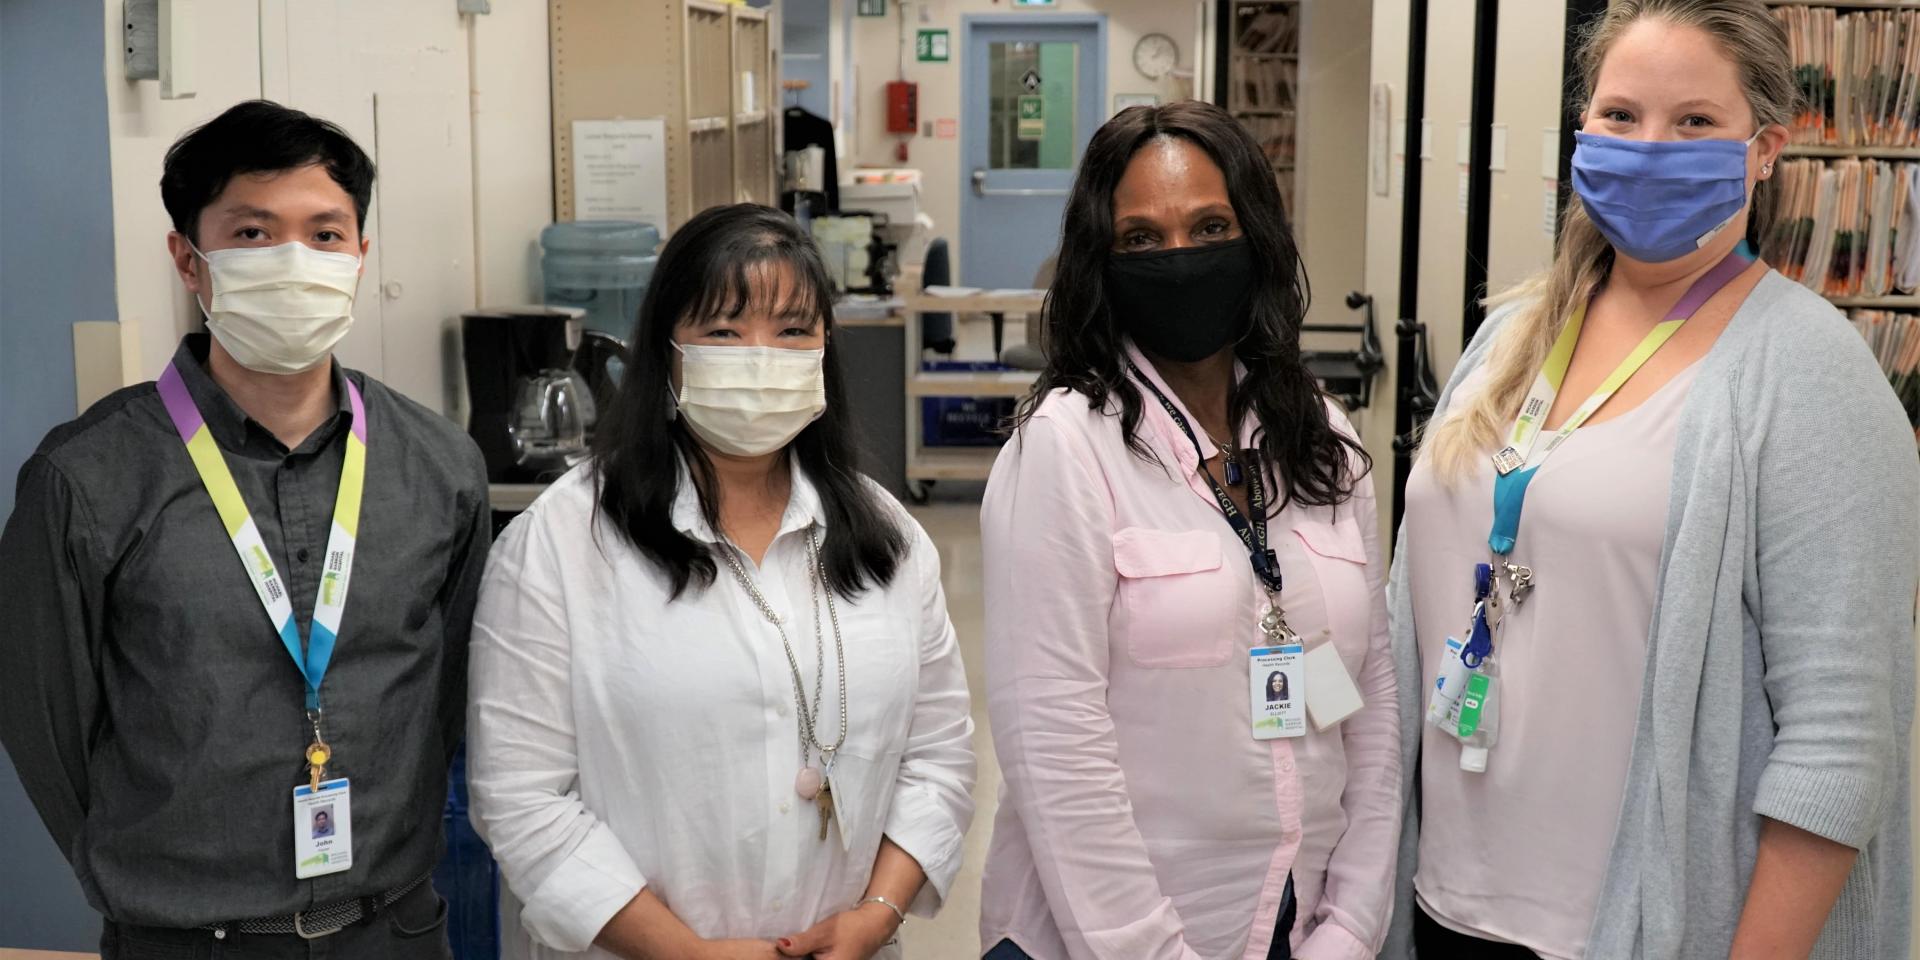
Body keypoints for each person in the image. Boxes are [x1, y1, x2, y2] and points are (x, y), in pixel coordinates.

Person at [1390, 3, 1919, 958]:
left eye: (1694, 123)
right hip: (1446, 903)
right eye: (1621, 115)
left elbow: (1839, 748)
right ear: (1582, 129)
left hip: (1641, 926)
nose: (1648, 148)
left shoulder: (1811, 374)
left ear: (1765, 151)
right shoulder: (1509, 337)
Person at [0, 100, 490, 957]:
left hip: (396, 930)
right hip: (188, 939)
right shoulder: (88, 476)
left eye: (326, 235)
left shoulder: (440, 465)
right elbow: (45, 725)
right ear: (189, 260)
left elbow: (447, 699)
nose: (295, 261)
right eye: (254, 234)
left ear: (361, 256)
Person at [466, 203, 976, 960]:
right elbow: (522, 795)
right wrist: (686, 953)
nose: (761, 355)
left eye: (793, 330)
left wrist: (877, 912)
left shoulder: (887, 537)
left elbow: (940, 753)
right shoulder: (564, 541)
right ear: (667, 350)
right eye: (725, 332)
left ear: (825, 350)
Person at [978, 100, 1400, 960]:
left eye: (1210, 226)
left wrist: (1351, 922)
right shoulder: (1066, 447)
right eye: (1141, 239)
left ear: (1257, 241)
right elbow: (1057, 750)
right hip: (1109, 939)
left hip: (1298, 920)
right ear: (1101, 261)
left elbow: (1369, 701)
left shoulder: (1321, 436)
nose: (1180, 258)